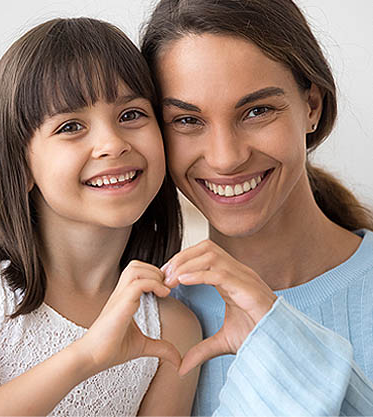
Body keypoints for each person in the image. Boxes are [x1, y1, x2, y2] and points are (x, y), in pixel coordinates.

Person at [0, 17, 201, 416]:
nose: (111, 144)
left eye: (131, 115)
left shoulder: (174, 329)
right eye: (71, 126)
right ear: (21, 167)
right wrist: (86, 357)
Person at [141, 0, 373, 415]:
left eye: (257, 111)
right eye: (187, 120)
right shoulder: (151, 323)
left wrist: (278, 332)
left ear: (312, 107)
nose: (225, 157)